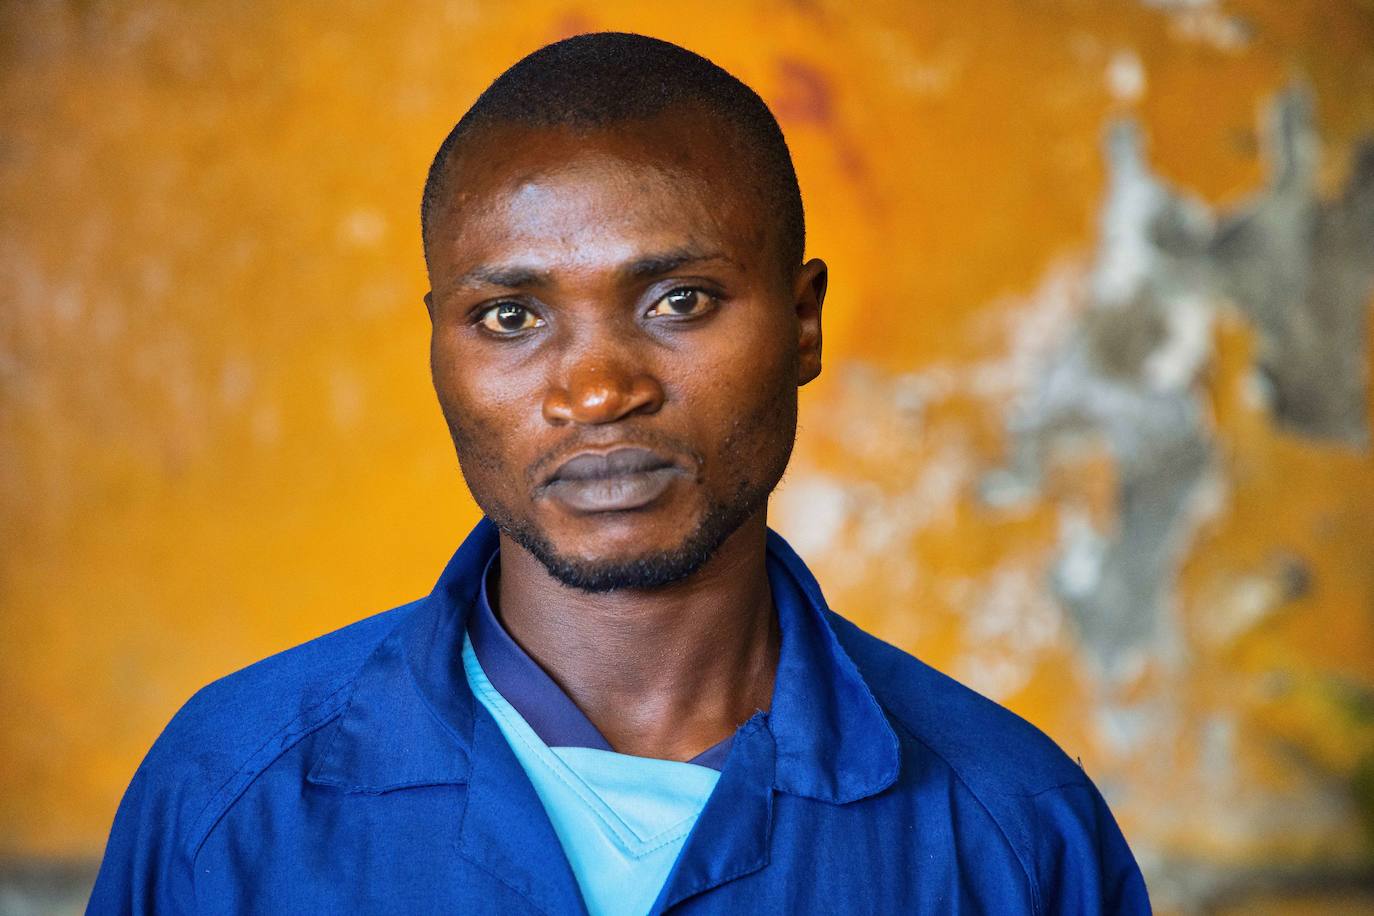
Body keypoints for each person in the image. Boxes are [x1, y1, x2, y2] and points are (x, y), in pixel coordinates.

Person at [89, 32, 1151, 915]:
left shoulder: (1013, 833)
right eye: (510, 318)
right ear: (439, 349)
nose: (597, 390)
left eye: (678, 301)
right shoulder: (229, 800)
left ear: (802, 320)